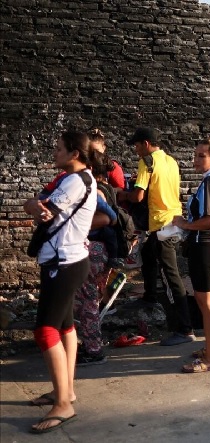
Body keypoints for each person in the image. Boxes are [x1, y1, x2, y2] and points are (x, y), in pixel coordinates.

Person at [23, 130, 97, 433]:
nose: (54, 153)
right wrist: (35, 203)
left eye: (58, 148)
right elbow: (40, 207)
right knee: (65, 326)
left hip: (64, 264)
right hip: (69, 261)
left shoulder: (74, 181)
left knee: (45, 331)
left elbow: (43, 213)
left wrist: (33, 203)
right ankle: (64, 390)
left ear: (74, 154)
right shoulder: (78, 178)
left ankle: (64, 404)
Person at [116, 128, 193, 346]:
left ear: (146, 144)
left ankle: (184, 329)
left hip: (161, 226)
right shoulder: (171, 161)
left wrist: (121, 194)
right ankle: (149, 296)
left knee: (170, 277)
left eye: (137, 145)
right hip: (171, 220)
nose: (136, 150)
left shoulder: (147, 162)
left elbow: (138, 196)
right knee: (149, 255)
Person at [173, 138, 210, 372]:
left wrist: (184, 224)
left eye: (201, 156)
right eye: (195, 155)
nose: (195, 160)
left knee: (207, 305)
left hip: (206, 246)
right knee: (208, 302)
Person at [73, 152, 119, 367]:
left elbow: (108, 219)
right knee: (88, 300)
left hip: (93, 251)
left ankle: (94, 350)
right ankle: (90, 345)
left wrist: (74, 223)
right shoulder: (106, 188)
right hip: (98, 251)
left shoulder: (96, 191)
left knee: (88, 301)